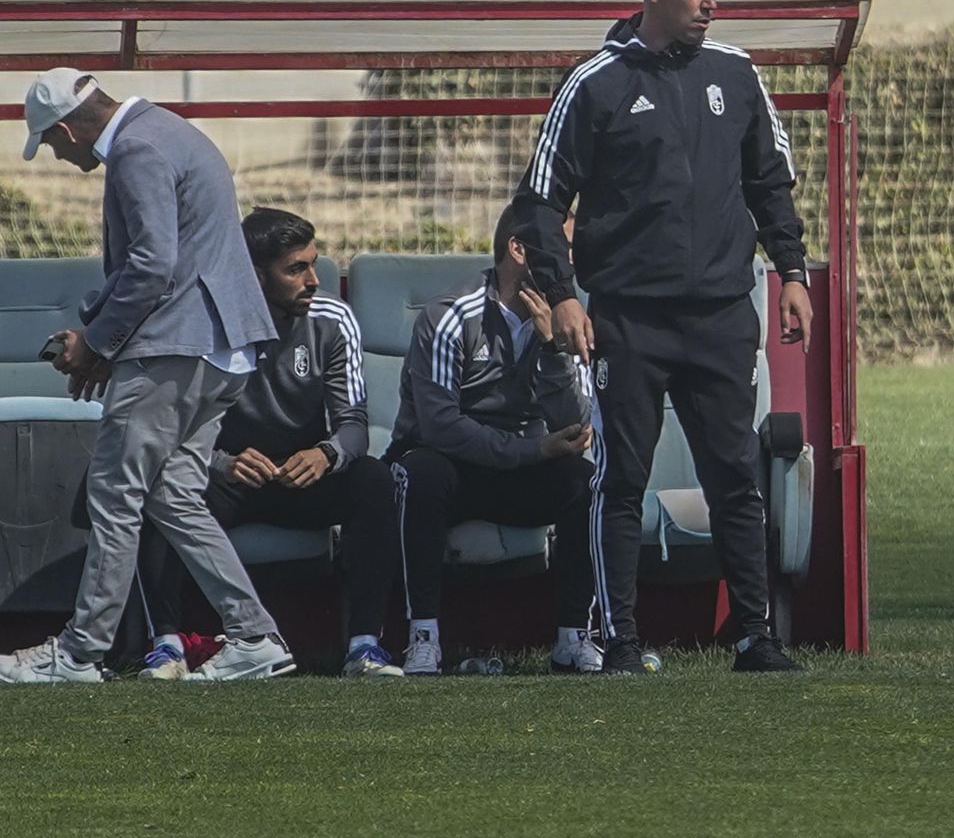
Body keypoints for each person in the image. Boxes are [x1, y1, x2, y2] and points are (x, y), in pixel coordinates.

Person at [509, 0, 812, 673]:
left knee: (736, 474)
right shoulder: (595, 82)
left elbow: (770, 183)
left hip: (719, 313)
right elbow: (540, 203)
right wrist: (565, 294)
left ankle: (754, 635)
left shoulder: (737, 74)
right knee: (623, 479)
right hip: (630, 318)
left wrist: (794, 271)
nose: (710, 3)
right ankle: (622, 641)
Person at [0, 69, 291, 683]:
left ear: (69, 126)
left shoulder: (135, 149)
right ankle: (255, 635)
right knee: (174, 496)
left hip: (174, 350)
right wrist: (102, 339)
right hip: (225, 348)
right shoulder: (171, 132)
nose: (55, 155)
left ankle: (80, 653)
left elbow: (152, 264)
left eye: (50, 143)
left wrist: (97, 344)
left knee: (115, 494)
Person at [134, 208, 402, 679]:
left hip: (302, 477)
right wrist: (221, 463)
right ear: (255, 276)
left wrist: (327, 454)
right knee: (161, 487)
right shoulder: (207, 323)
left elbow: (354, 424)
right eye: (296, 269)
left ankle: (364, 647)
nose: (314, 280)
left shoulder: (333, 319)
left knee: (374, 480)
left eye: (313, 264)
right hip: (229, 477)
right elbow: (173, 425)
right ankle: (167, 647)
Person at [385, 204, 599, 675]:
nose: (570, 262)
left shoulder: (567, 316)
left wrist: (553, 349)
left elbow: (575, 423)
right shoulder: (449, 316)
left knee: (583, 481)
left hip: (519, 466)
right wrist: (533, 449)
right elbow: (440, 425)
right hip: (451, 465)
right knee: (419, 473)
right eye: (562, 249)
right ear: (518, 250)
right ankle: (422, 637)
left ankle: (573, 637)